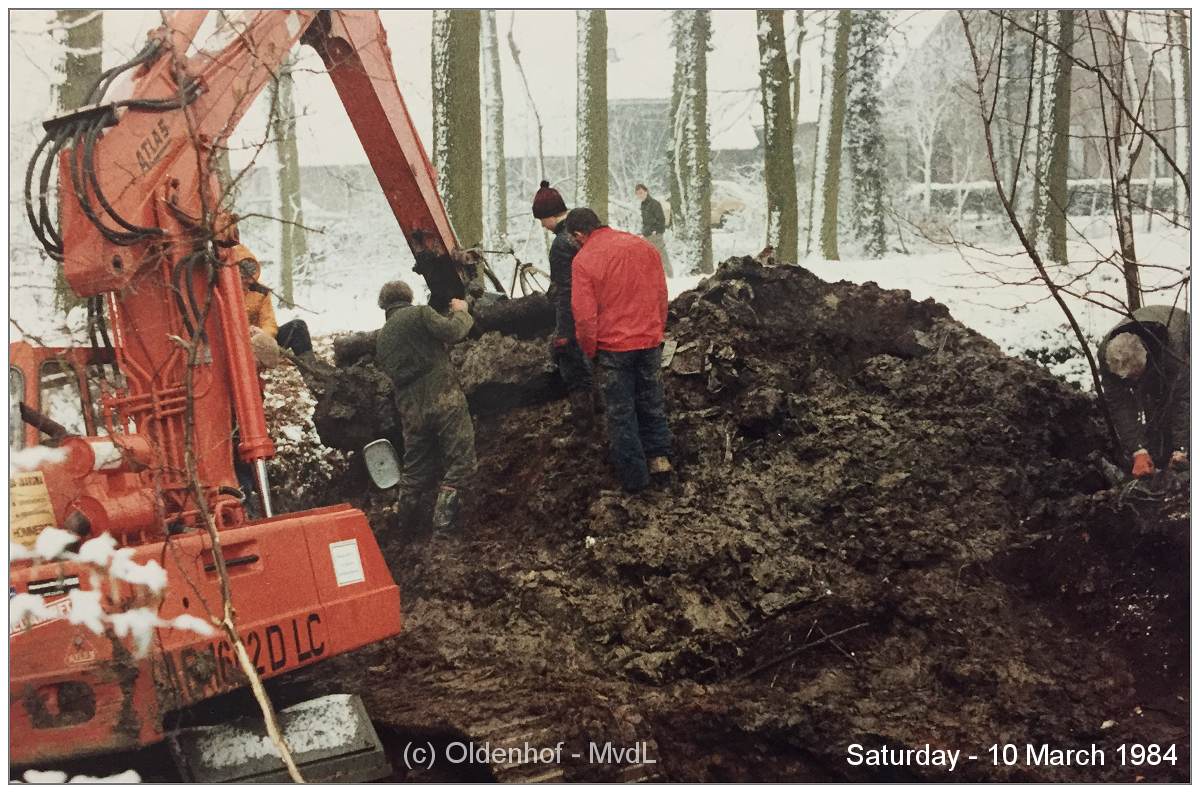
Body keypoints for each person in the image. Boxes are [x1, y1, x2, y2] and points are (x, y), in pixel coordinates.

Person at [566, 207, 673, 492]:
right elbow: (661, 293)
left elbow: (585, 316)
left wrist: (589, 350)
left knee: (621, 412)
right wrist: (657, 328)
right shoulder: (644, 247)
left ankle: (634, 480)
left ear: (579, 234)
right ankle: (659, 459)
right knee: (651, 400)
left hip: (614, 347)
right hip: (649, 340)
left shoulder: (583, 261)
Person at [375, 280, 477, 533]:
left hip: (411, 409)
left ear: (384, 305)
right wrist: (462, 311)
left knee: (416, 471)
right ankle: (443, 526)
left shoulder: (382, 337)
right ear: (408, 297)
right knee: (461, 463)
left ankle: (404, 527)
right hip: (443, 397)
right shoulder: (420, 313)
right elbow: (453, 332)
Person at [531, 180, 595, 438]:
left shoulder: (560, 244)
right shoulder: (581, 232)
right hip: (595, 311)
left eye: (541, 220)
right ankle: (594, 408)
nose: (542, 226)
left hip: (575, 315)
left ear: (548, 216)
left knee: (571, 365)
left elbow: (568, 290)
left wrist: (563, 332)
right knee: (591, 363)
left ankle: (582, 427)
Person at [1098, 304, 1190, 477]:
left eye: (1136, 376)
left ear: (1146, 358)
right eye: (1129, 379)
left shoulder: (1172, 349)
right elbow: (1119, 404)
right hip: (1155, 358)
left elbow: (1184, 398)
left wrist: (1181, 449)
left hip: (1185, 338)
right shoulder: (1107, 354)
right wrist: (1138, 450)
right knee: (1156, 413)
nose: (1134, 383)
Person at [231, 244, 317, 364]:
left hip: (260, 343)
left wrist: (263, 335)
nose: (247, 283)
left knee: (298, 327)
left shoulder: (261, 292)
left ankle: (313, 375)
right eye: (243, 278)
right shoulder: (219, 293)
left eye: (249, 278)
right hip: (233, 346)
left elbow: (269, 322)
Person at [635, 183, 673, 278]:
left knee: (662, 257)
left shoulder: (654, 203)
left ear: (646, 192)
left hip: (655, 235)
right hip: (647, 235)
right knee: (648, 257)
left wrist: (656, 231)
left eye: (641, 192)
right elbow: (646, 222)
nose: (640, 195)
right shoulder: (643, 204)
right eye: (638, 194)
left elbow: (661, 219)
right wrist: (643, 231)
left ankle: (670, 277)